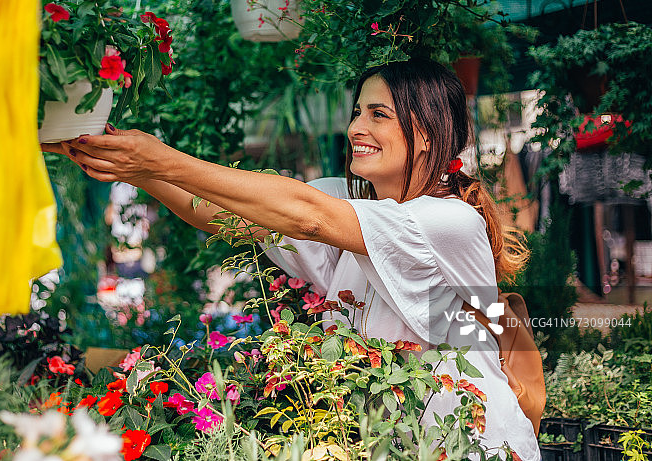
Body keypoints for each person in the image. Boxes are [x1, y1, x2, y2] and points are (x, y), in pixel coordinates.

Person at [42, 59, 541, 461]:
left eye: (378, 114)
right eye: (358, 112)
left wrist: (163, 159)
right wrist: (131, 166)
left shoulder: (449, 221)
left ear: (429, 134)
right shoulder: (353, 207)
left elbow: (307, 216)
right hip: (393, 441)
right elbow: (224, 213)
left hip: (473, 444)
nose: (355, 128)